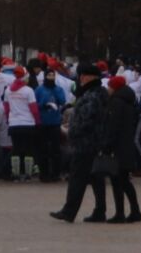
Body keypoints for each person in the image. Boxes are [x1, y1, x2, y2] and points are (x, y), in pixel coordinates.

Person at [50, 63, 108, 223]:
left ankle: (69, 211)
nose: (80, 78)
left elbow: (87, 118)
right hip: (92, 141)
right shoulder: (96, 93)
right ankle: (99, 211)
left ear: (90, 77)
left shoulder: (92, 95)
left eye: (83, 75)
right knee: (95, 178)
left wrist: (73, 129)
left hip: (85, 142)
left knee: (77, 178)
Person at [101, 75, 141, 223]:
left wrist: (107, 145)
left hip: (118, 148)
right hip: (127, 146)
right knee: (125, 181)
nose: (108, 89)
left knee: (117, 181)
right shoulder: (129, 101)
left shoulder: (116, 103)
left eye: (110, 86)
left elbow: (113, 126)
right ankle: (135, 210)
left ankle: (120, 213)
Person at [3, 66, 40, 181]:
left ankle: (15, 174)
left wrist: (9, 119)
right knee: (28, 148)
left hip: (14, 123)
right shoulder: (28, 91)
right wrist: (37, 121)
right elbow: (34, 109)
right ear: (25, 78)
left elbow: (6, 107)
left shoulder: (8, 90)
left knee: (16, 148)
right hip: (28, 123)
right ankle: (28, 174)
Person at [35, 68, 67, 182]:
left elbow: (63, 101)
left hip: (55, 122)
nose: (51, 77)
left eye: (52, 75)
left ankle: (56, 173)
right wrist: (44, 104)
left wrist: (55, 92)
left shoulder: (58, 89)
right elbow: (35, 104)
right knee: (42, 149)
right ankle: (44, 173)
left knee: (55, 149)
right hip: (43, 122)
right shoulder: (39, 89)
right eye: (48, 75)